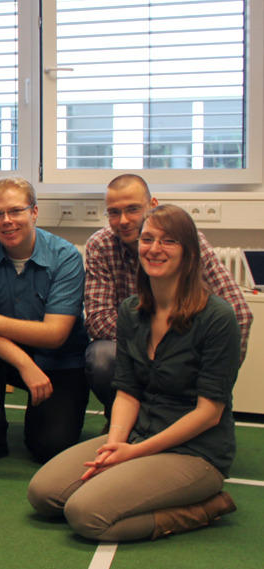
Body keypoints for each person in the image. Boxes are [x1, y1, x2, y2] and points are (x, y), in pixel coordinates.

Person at [28, 204, 240, 541]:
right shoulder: (131, 311)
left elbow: (208, 414)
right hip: (138, 435)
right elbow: (127, 390)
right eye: (148, 239)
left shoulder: (218, 317)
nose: (154, 249)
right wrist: (114, 446)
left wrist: (133, 454)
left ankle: (204, 507)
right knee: (44, 495)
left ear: (189, 253)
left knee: (86, 516)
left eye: (168, 241)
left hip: (196, 452)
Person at [84, 174, 251, 416]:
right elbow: (98, 319)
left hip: (185, 349)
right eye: (113, 212)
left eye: (133, 209)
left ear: (153, 206)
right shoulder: (100, 245)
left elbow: (240, 313)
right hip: (132, 349)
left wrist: (217, 380)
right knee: (101, 356)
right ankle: (123, 418)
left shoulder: (190, 242)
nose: (123, 220)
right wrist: (148, 344)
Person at [0, 177, 90, 469]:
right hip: (13, 358)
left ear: (34, 212)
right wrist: (24, 364)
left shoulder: (65, 257)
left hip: (60, 362)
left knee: (49, 447)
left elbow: (55, 334)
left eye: (16, 211)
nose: (7, 221)